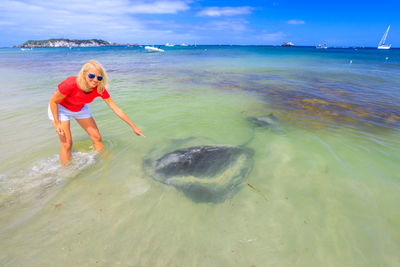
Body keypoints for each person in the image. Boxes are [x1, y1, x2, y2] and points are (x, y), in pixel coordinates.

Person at [48, 60, 145, 165]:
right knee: (67, 144)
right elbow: (53, 101)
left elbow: (116, 109)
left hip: (80, 107)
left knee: (97, 138)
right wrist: (57, 123)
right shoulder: (71, 83)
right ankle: (66, 171)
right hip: (60, 108)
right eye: (91, 76)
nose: (95, 80)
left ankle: (104, 161)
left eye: (99, 78)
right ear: (84, 74)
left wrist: (133, 126)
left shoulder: (99, 89)